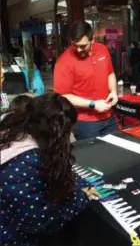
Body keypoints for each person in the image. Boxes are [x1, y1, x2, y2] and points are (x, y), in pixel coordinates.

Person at [0, 93, 100, 246]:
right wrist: (81, 197)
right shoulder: (25, 162)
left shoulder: (14, 125)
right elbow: (40, 221)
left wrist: (75, 182)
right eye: (67, 133)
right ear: (56, 132)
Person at [54, 21, 118, 140]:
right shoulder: (64, 62)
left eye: (83, 46)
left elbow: (110, 73)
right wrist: (93, 104)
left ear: (92, 39)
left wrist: (113, 91)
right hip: (85, 122)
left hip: (109, 116)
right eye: (74, 45)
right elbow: (63, 96)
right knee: (93, 157)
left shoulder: (103, 50)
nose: (78, 50)